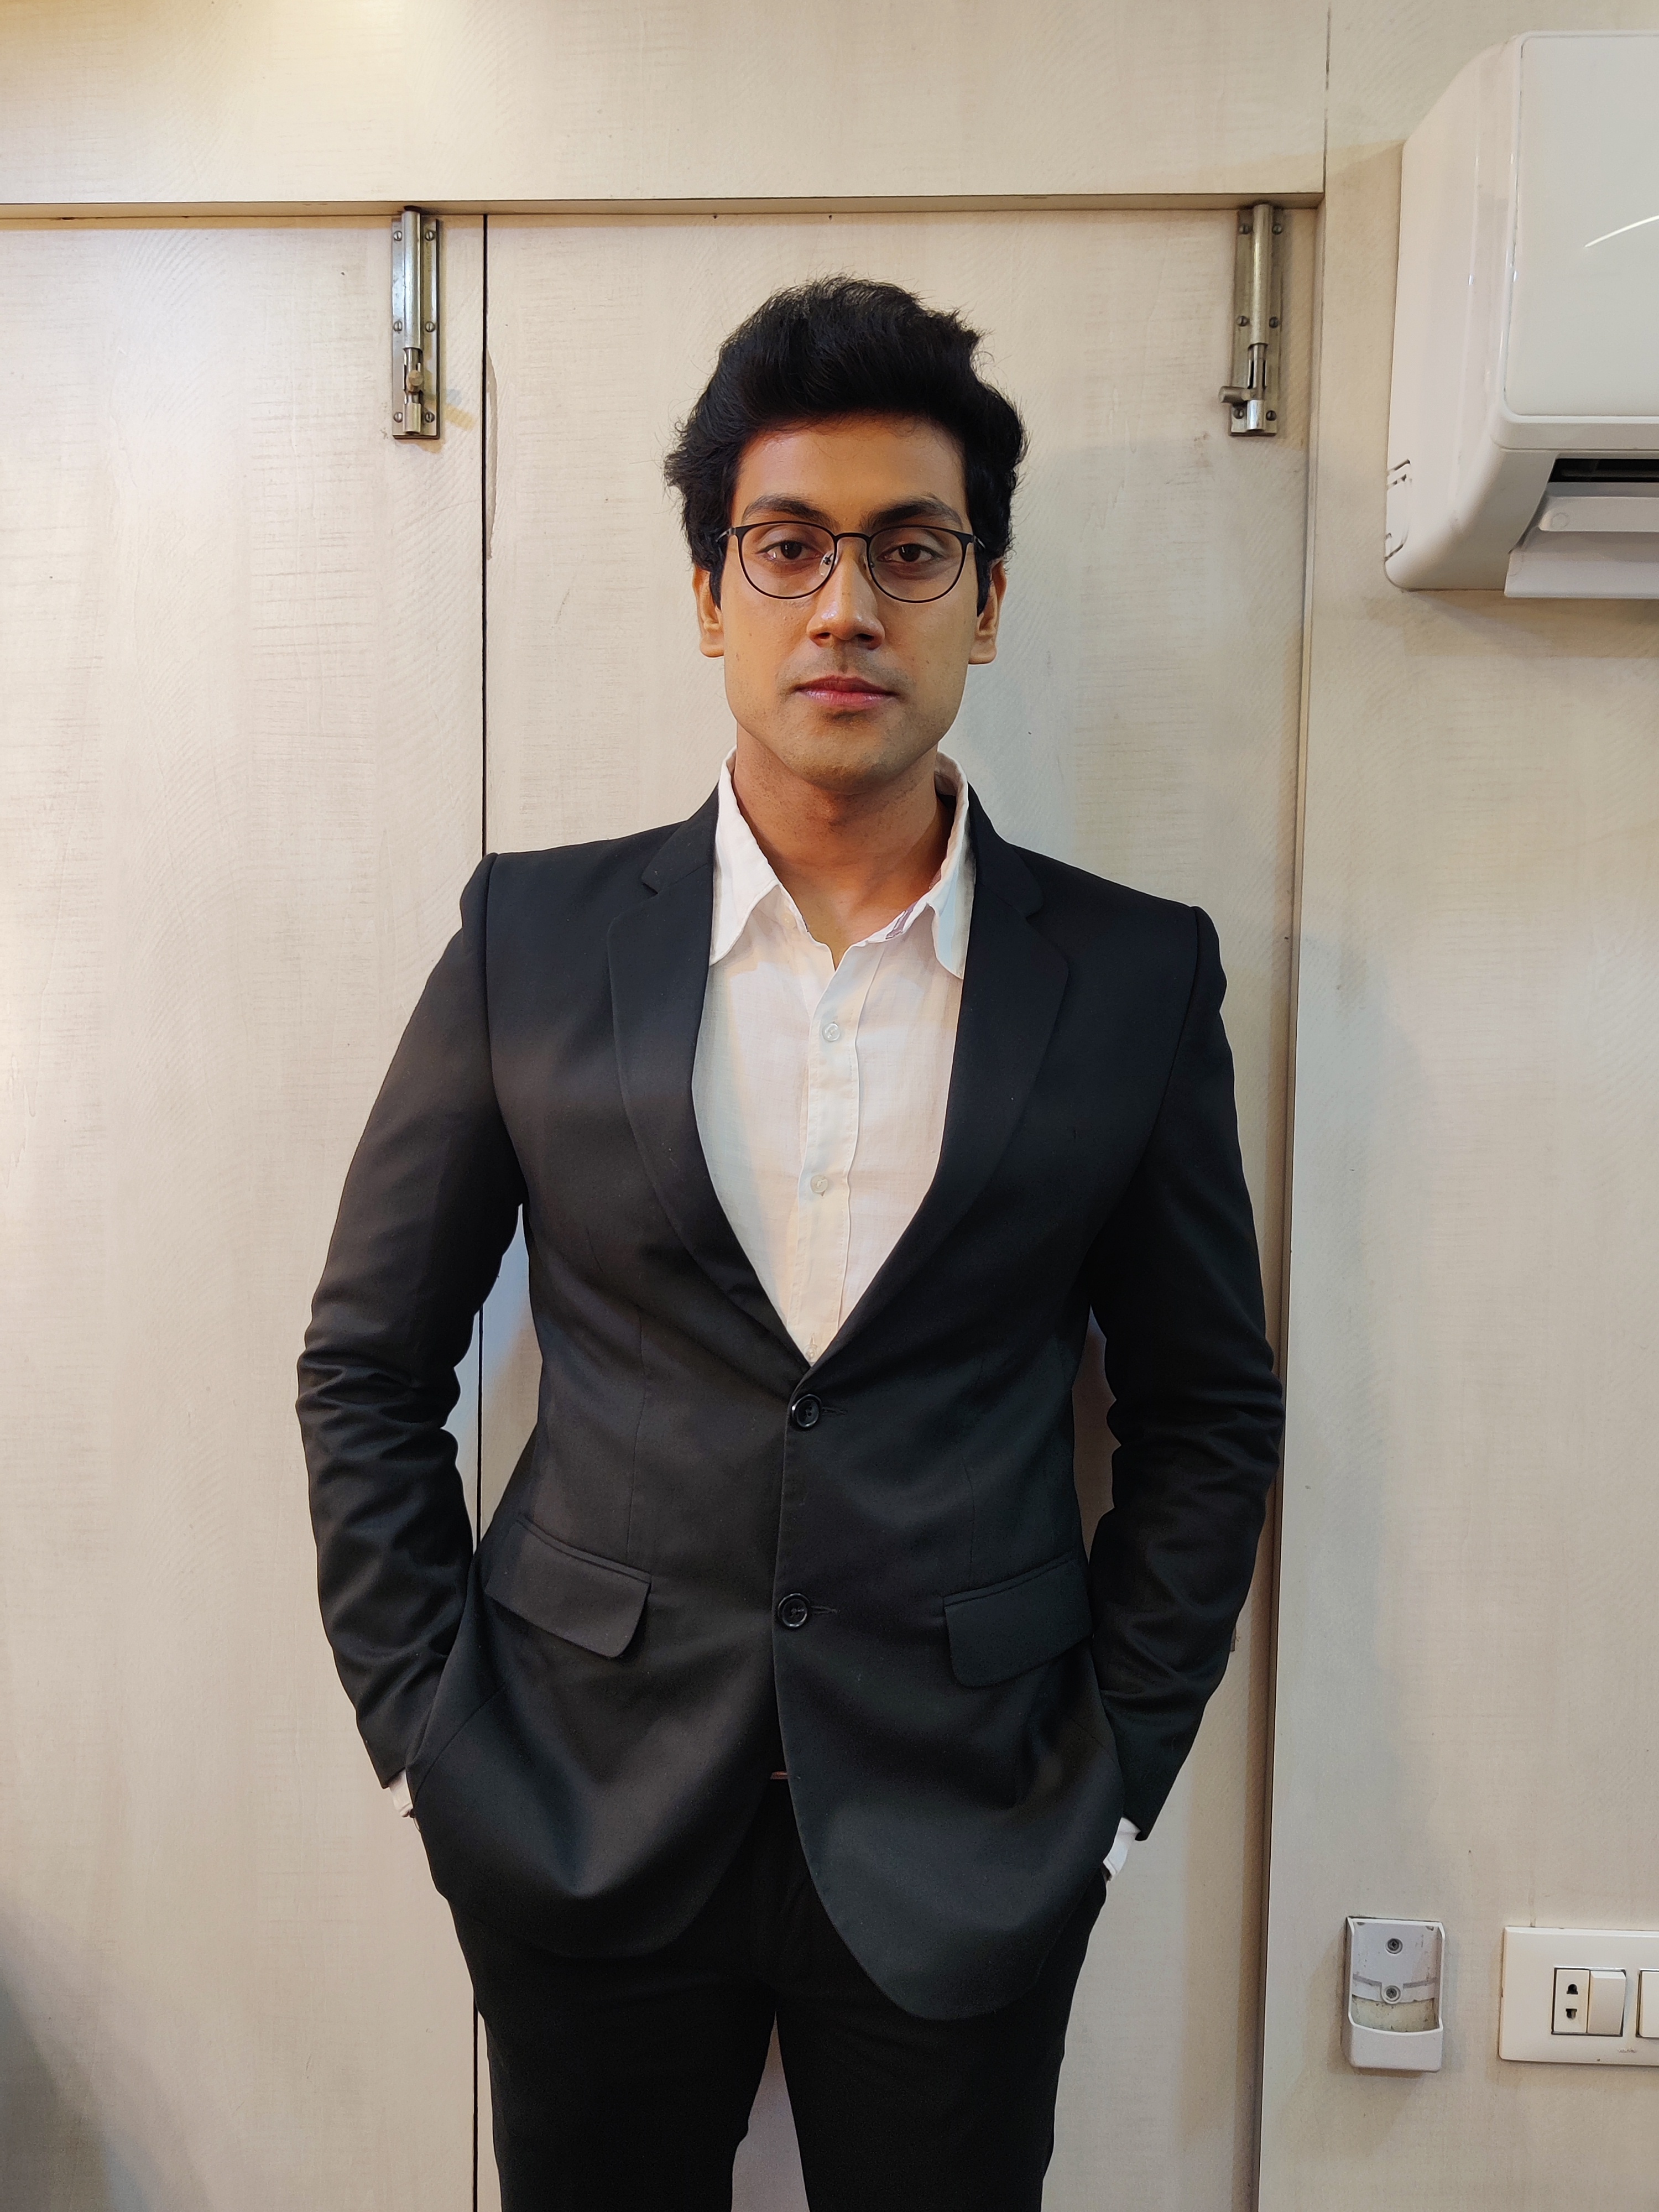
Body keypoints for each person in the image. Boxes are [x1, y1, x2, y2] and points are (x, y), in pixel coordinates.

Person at [298, 275, 1283, 2212]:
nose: (846, 606)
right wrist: (431, 1736)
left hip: (975, 1818)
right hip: (574, 1804)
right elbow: (368, 1365)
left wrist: (1113, 1771)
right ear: (710, 595)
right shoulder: (532, 941)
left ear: (985, 603)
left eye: (910, 550)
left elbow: (1205, 1411)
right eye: (788, 547)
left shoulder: (1133, 975)